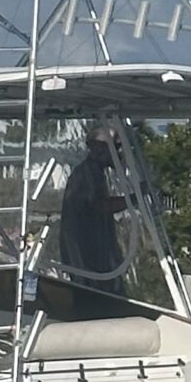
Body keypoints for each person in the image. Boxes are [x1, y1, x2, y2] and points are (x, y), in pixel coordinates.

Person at [59, 124, 129, 296]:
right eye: (116, 146)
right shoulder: (87, 174)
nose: (120, 152)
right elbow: (101, 206)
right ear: (99, 148)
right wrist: (135, 199)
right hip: (88, 260)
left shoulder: (96, 173)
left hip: (95, 258)